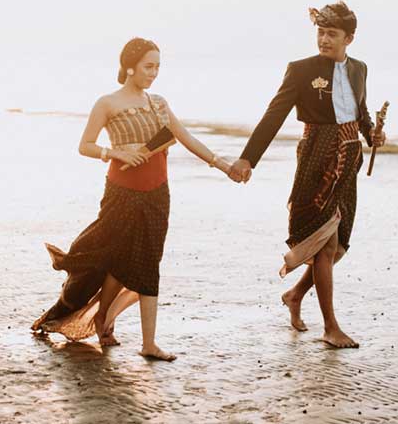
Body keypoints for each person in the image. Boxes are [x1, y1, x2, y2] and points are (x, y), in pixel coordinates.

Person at [31, 37, 241, 361]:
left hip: (158, 193)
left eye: (157, 67)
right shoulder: (107, 103)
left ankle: (147, 343)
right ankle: (102, 318)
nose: (154, 73)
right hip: (121, 193)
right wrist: (115, 152)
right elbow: (85, 145)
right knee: (117, 258)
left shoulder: (158, 103)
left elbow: (185, 138)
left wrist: (224, 166)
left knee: (148, 264)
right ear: (130, 66)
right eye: (148, 66)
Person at [229, 2, 385, 348]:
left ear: (349, 38)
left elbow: (360, 112)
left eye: (332, 34)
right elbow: (274, 115)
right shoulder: (301, 70)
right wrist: (247, 159)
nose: (324, 39)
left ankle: (295, 295)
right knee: (323, 243)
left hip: (349, 160)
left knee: (338, 244)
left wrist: (372, 133)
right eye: (320, 32)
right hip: (317, 155)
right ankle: (331, 327)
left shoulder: (359, 69)